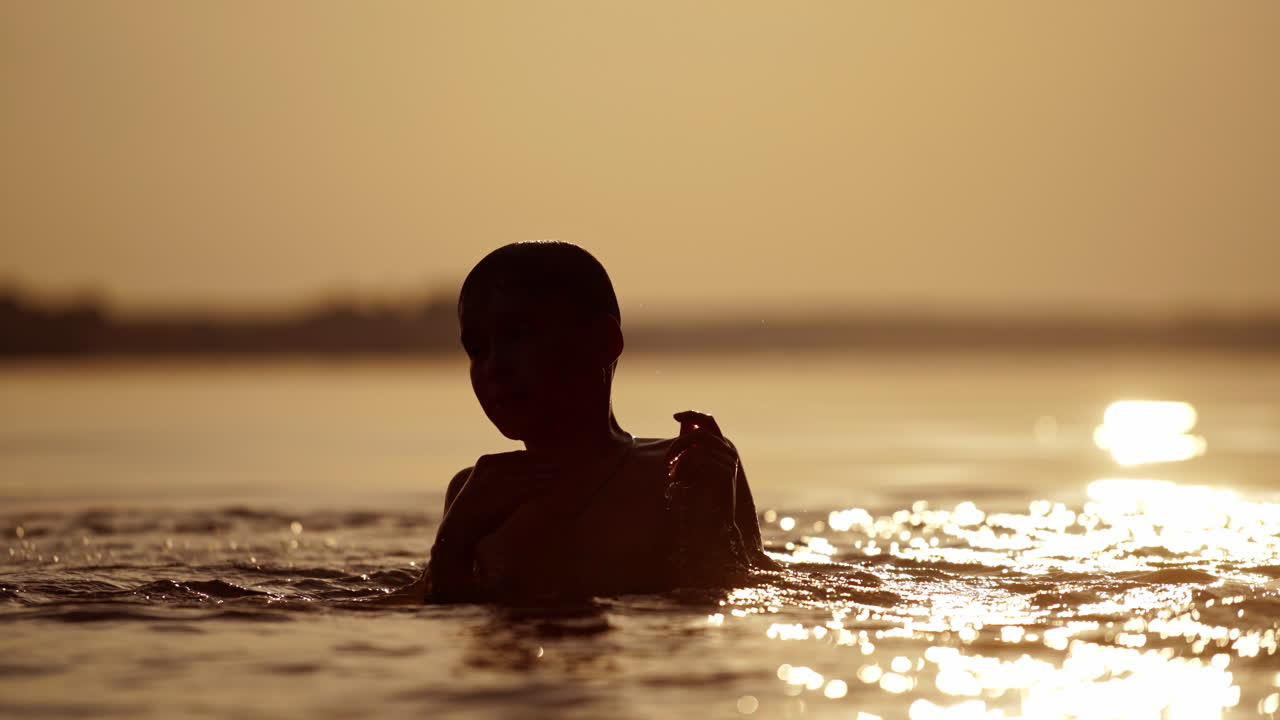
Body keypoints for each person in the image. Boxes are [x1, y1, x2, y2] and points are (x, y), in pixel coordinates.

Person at [404, 241, 776, 604]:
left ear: (604, 342)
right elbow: (440, 605)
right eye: (477, 349)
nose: (494, 366)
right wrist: (454, 540)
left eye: (518, 337)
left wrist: (710, 520)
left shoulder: (686, 468)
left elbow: (743, 592)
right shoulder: (476, 490)